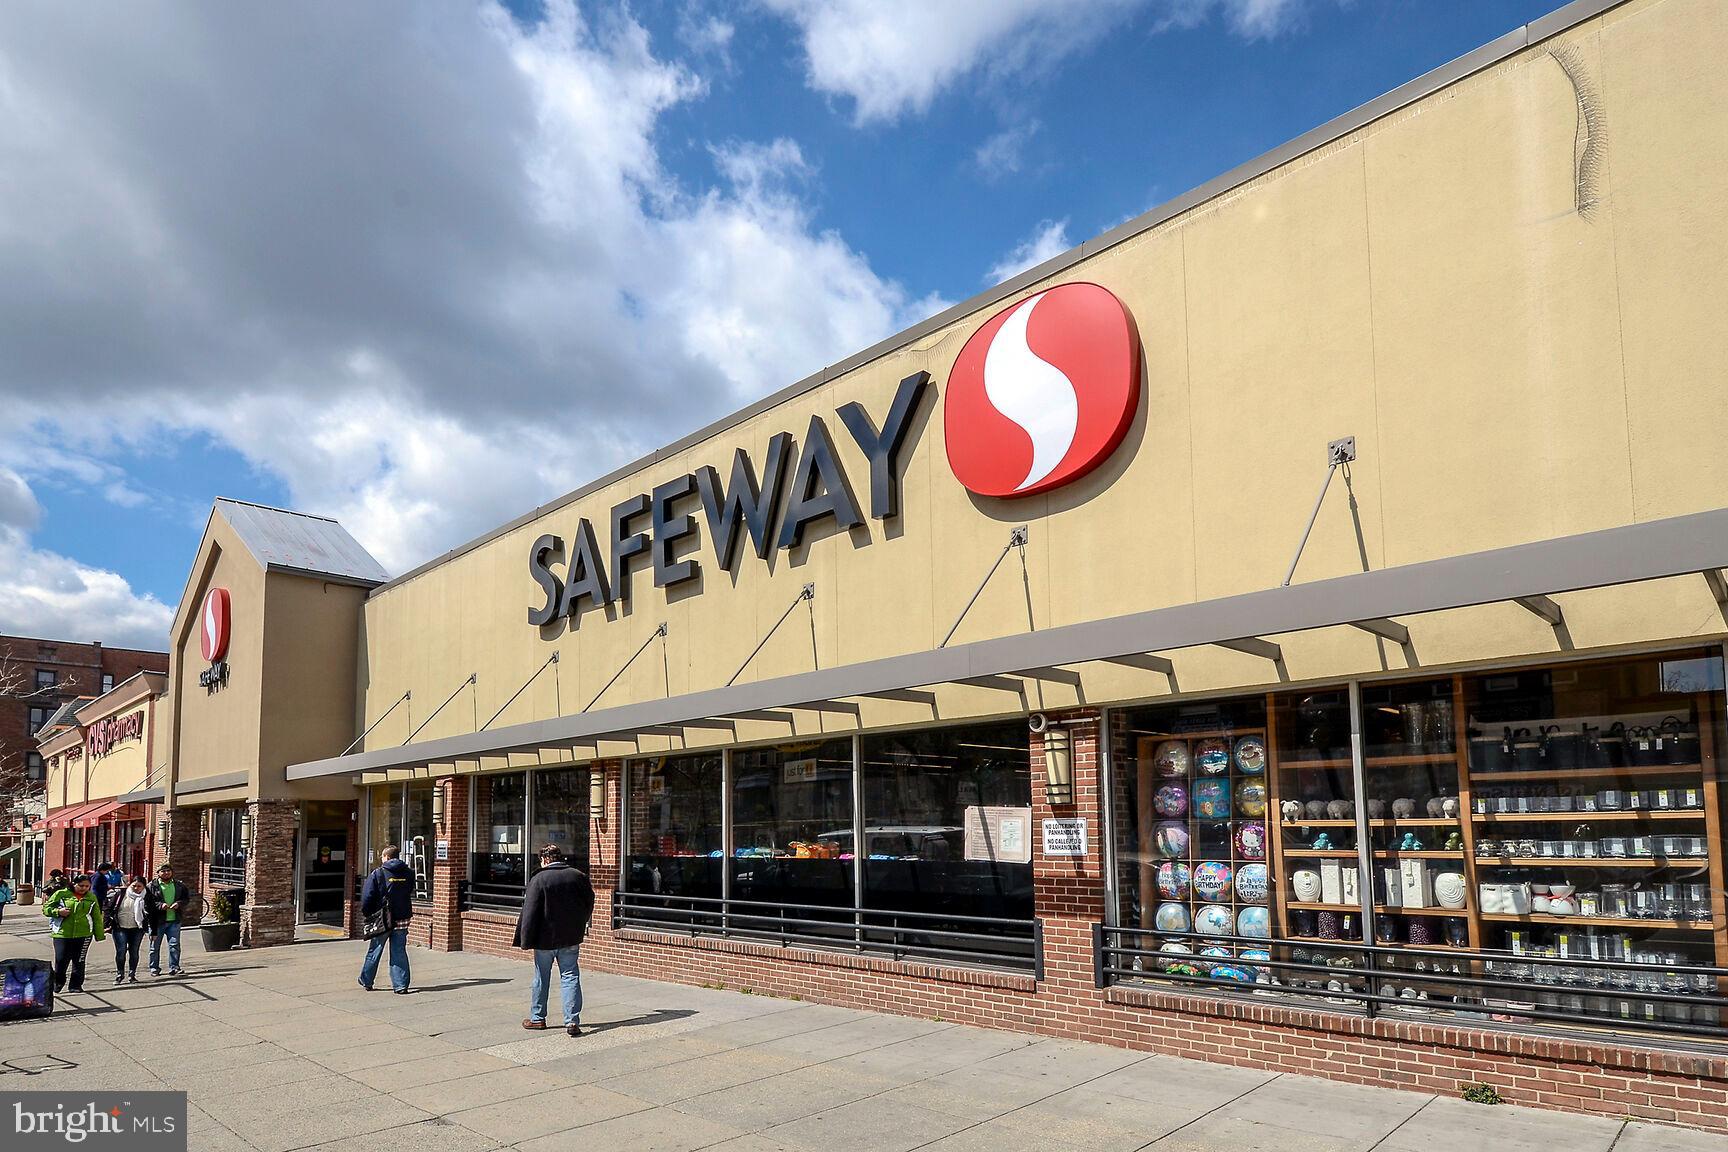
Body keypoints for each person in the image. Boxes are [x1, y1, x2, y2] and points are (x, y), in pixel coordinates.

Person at [513, 844, 595, 1036]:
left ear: (544, 859)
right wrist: (581, 922)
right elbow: (589, 901)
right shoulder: (577, 876)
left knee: (541, 977)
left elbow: (530, 910)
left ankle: (538, 1018)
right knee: (570, 976)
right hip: (570, 937)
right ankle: (572, 1021)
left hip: (544, 939)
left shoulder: (539, 878)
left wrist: (525, 938)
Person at [358, 845, 414, 994]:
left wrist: (368, 913)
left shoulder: (378, 873)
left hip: (382, 918)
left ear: (387, 857)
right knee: (399, 951)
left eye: (382, 857)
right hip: (402, 917)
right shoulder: (409, 873)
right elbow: (409, 891)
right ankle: (400, 985)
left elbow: (367, 897)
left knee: (375, 950)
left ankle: (367, 980)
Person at [42, 875, 105, 994]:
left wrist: (99, 934)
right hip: (62, 933)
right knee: (61, 960)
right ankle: (58, 982)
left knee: (79, 960)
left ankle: (75, 985)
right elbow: (46, 909)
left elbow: (96, 916)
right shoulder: (61, 894)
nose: (83, 888)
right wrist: (58, 912)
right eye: (81, 885)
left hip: (84, 933)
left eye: (87, 886)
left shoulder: (91, 897)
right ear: (74, 884)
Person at [146, 863, 194, 977]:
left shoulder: (179, 885)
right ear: (158, 873)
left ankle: (174, 967)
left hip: (174, 920)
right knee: (154, 947)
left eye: (168, 871)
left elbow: (186, 899)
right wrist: (160, 905)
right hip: (157, 921)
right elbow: (147, 903)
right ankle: (154, 968)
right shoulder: (151, 886)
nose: (166, 873)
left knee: (174, 945)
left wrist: (179, 904)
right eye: (163, 871)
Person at [103, 874, 151, 985]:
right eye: (134, 885)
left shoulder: (147, 896)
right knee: (121, 951)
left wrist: (153, 931)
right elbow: (108, 908)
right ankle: (120, 974)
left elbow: (152, 914)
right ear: (130, 884)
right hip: (120, 927)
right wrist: (106, 924)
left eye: (140, 886)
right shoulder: (121, 894)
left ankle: (132, 974)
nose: (136, 888)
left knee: (134, 952)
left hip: (137, 928)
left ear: (144, 886)